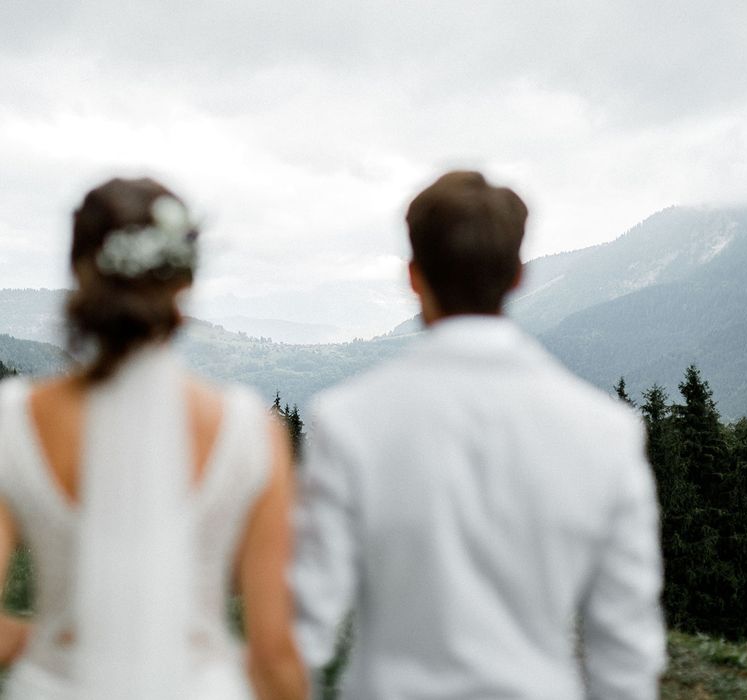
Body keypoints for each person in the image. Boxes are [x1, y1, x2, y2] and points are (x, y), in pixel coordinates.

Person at [293, 171, 666, 699]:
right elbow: (626, 648)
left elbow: (305, 625)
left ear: (413, 276)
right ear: (517, 276)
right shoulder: (606, 430)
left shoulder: (346, 420)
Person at [0, 178, 307, 700]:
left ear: (79, 274)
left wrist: (51, 645)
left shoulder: (13, 419)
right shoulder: (251, 431)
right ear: (183, 286)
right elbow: (274, 653)